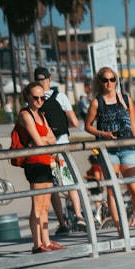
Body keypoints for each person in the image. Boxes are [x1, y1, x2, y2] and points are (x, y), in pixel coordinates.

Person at [84, 66, 135, 237]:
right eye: (105, 80)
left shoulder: (126, 99)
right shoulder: (97, 102)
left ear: (116, 81)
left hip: (128, 149)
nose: (109, 83)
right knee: (112, 191)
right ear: (100, 82)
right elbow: (87, 126)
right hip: (108, 151)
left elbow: (133, 125)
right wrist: (102, 134)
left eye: (112, 79)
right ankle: (121, 230)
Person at [33, 66, 87, 235]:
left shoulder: (34, 100)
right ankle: (78, 216)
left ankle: (62, 223)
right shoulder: (60, 97)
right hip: (62, 144)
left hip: (45, 148)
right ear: (49, 79)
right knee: (70, 182)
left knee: (53, 186)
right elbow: (75, 122)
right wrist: (62, 128)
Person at [16, 82, 63, 254]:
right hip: (34, 162)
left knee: (44, 205)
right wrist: (43, 139)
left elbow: (52, 139)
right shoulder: (25, 115)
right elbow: (38, 141)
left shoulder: (41, 114)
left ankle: (46, 240)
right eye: (35, 97)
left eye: (42, 97)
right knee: (37, 205)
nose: (39, 101)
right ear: (27, 97)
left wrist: (43, 139)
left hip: (46, 161)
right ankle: (37, 244)